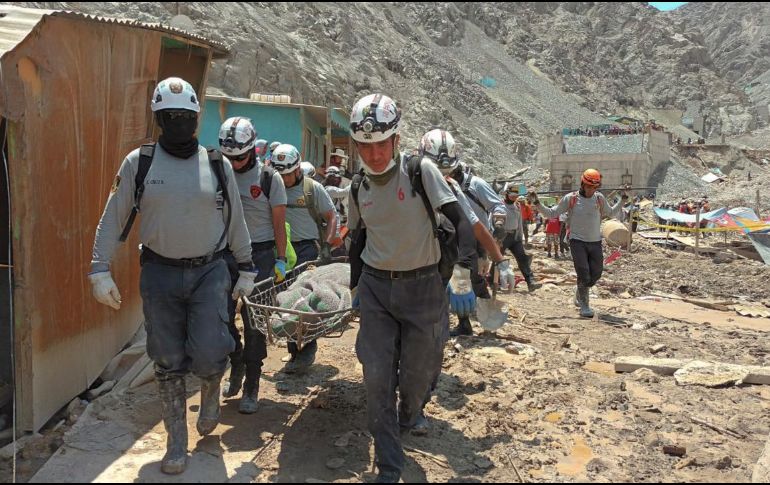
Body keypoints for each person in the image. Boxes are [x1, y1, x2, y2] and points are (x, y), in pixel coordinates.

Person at [88, 78, 256, 474]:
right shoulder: (139, 162)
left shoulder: (215, 163)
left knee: (213, 349)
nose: (178, 122)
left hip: (210, 272)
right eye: (170, 116)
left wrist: (247, 267)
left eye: (185, 116)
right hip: (160, 273)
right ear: (159, 119)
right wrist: (98, 268)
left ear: (196, 117)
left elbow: (235, 220)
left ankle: (212, 388)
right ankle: (176, 444)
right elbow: (112, 218)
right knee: (166, 358)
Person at [347, 94, 476, 483]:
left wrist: (463, 275)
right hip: (376, 290)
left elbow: (461, 222)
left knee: (419, 372)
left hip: (422, 289)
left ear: (396, 140)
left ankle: (410, 410)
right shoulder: (357, 187)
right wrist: (354, 287)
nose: (372, 154)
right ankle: (389, 464)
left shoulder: (421, 172)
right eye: (364, 146)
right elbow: (357, 240)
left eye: (380, 144)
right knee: (376, 374)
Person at [218, 118, 289, 414]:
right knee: (218, 315)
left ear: (253, 151)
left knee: (253, 321)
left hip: (259, 255)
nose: (234, 164)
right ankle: (235, 361)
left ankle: (252, 381)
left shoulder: (270, 179)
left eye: (241, 158)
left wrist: (281, 259)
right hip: (225, 254)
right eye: (229, 158)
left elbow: (278, 222)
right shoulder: (218, 172)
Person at [419, 129, 515, 338]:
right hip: (416, 260)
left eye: (446, 173)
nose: (441, 178)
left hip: (456, 249)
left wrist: (500, 260)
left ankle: (458, 325)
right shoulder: (407, 183)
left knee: (470, 282)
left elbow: (475, 225)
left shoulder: (455, 188)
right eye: (435, 172)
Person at [273, 144, 339, 373]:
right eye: (280, 174)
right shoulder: (273, 188)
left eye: (288, 174)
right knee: (286, 300)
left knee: (304, 300)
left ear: (298, 170)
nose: (285, 179)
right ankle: (294, 350)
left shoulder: (313, 189)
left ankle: (307, 349)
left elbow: (332, 217)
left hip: (307, 251)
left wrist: (328, 246)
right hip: (282, 251)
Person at [528, 169, 628, 318]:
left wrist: (623, 199)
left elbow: (611, 212)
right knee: (583, 272)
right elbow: (551, 213)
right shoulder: (571, 199)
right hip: (577, 241)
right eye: (589, 186)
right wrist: (536, 202)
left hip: (595, 241)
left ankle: (580, 290)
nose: (591, 190)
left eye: (594, 187)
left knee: (596, 273)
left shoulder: (599, 198)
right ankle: (584, 305)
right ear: (582, 184)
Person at [500, 184, 542, 291]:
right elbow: (493, 221)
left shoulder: (517, 206)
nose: (514, 197)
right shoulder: (499, 205)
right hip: (502, 236)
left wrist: (520, 236)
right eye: (512, 195)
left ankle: (530, 281)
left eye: (516, 195)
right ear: (507, 194)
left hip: (515, 237)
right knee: (498, 258)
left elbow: (519, 222)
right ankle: (492, 280)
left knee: (522, 258)